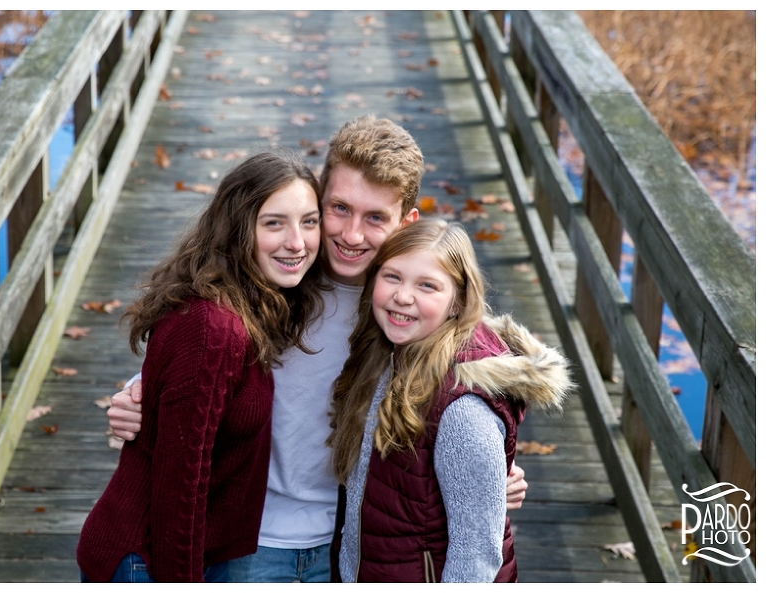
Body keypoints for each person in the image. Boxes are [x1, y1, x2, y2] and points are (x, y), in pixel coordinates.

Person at [106, 115, 529, 582]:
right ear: (319, 195)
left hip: (346, 545)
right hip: (249, 540)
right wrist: (138, 392)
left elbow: (460, 381)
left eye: (374, 219)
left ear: (406, 222)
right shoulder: (279, 275)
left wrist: (494, 469)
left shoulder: (404, 306)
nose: (351, 236)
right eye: (339, 209)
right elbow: (201, 350)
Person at [75, 150, 326, 582]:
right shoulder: (215, 328)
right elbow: (179, 491)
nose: (297, 242)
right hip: (145, 561)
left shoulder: (252, 303)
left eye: (309, 221)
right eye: (274, 223)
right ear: (238, 228)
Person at [329, 219, 572, 582]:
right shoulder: (392, 354)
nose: (403, 296)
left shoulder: (461, 411)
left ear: (458, 301)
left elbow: (476, 554)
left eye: (427, 285)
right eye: (392, 276)